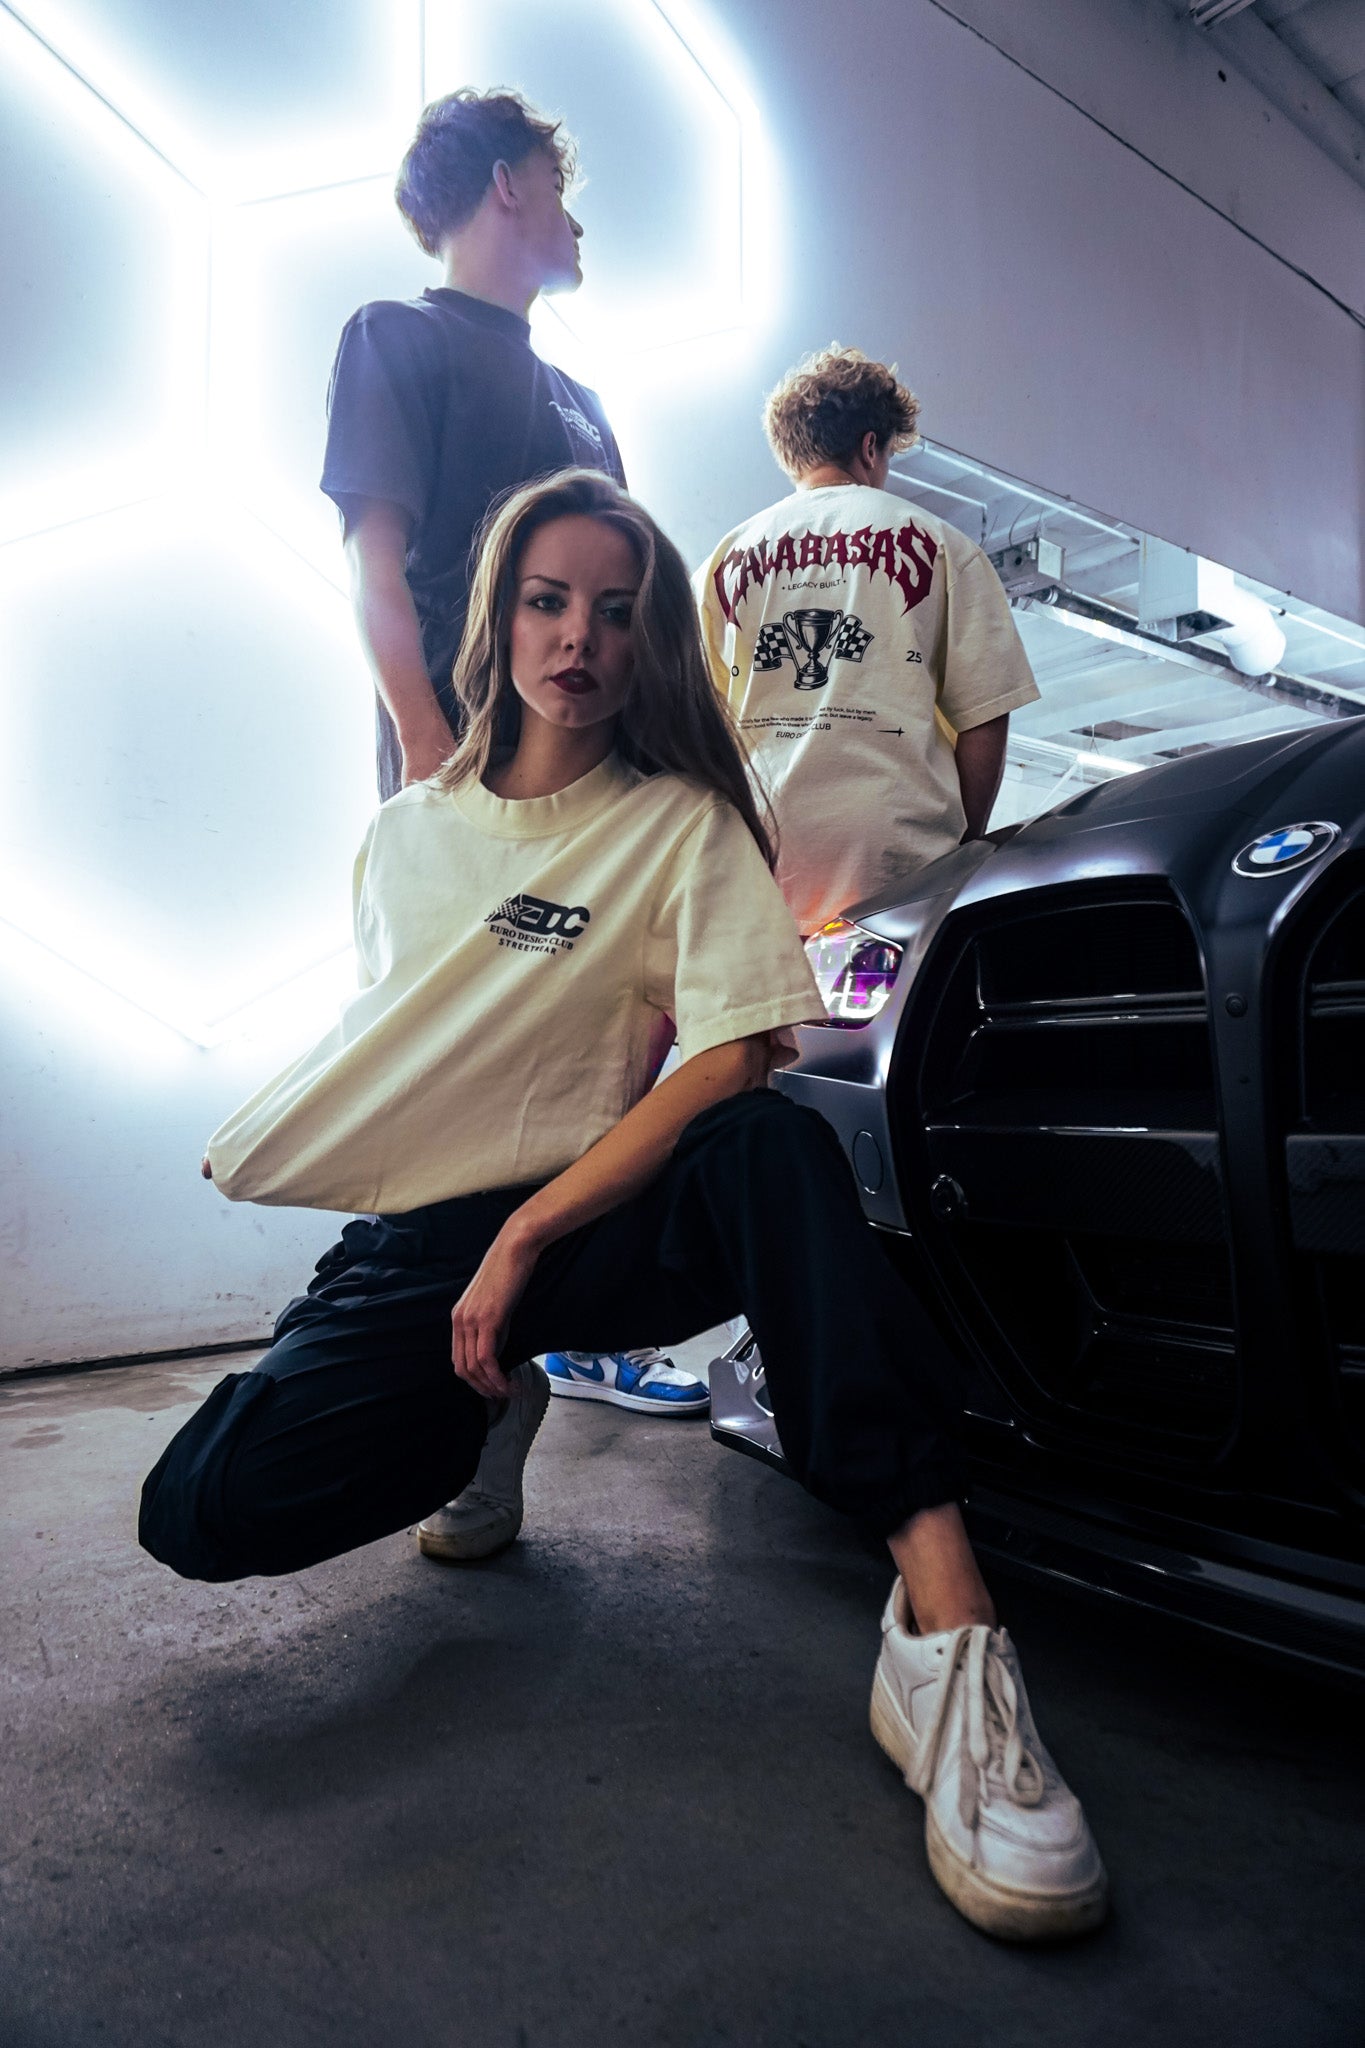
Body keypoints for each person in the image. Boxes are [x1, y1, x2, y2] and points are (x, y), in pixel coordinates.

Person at [139, 471, 1107, 1944]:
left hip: (588, 1221)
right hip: (423, 1238)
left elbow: (731, 1052)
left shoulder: (681, 826)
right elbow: (412, 1056)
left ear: (651, 639)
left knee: (771, 1144)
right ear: (500, 617)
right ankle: (480, 1401)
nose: (577, 638)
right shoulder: (405, 834)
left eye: (614, 610)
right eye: (547, 601)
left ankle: (950, 1633)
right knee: (200, 1509)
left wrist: (529, 1234)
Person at [323, 84, 705, 1419]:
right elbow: (375, 566)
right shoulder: (397, 338)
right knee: (462, 1091)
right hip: (462, 781)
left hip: (599, 792)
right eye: (561, 183)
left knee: (596, 1064)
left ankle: (573, 1333)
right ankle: (460, 1433)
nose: (576, 217)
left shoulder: (583, 403)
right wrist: (430, 744)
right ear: (506, 183)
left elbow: (626, 607)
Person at [694, 344, 1040, 938]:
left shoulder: (721, 563)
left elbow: (693, 723)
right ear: (871, 446)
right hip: (900, 873)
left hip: (755, 861)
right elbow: (986, 713)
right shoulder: (944, 547)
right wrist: (964, 845)